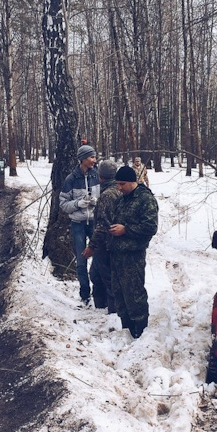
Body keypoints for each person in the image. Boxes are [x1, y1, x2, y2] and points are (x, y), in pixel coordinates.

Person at [106, 165, 158, 338]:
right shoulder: (121, 200)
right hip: (117, 254)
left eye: (122, 184)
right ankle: (126, 330)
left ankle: (141, 333)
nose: (119, 188)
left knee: (134, 294)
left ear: (131, 182)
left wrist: (125, 230)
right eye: (117, 184)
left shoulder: (145, 199)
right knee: (119, 294)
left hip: (133, 256)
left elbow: (150, 227)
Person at [58, 144, 101, 304]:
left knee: (99, 255)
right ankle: (85, 294)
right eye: (91, 157)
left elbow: (104, 195)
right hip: (78, 224)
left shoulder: (96, 175)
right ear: (83, 159)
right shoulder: (71, 179)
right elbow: (63, 204)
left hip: (94, 224)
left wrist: (97, 202)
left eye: (95, 157)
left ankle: (98, 291)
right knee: (81, 259)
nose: (94, 160)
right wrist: (78, 203)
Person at [82, 159, 120, 313]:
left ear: (101, 176)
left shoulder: (107, 195)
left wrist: (92, 246)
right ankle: (101, 308)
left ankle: (113, 312)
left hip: (105, 244)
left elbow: (103, 225)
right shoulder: (117, 190)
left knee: (107, 278)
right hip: (110, 242)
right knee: (96, 274)